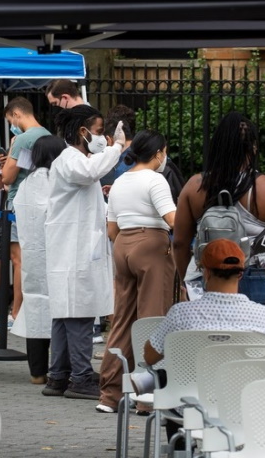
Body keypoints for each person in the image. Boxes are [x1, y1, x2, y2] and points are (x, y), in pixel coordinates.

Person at [141, 237, 265, 445]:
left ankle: (185, 449)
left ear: (205, 272)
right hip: (247, 406)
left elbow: (149, 356)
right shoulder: (263, 316)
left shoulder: (181, 314)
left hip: (191, 407)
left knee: (167, 381)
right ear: (240, 273)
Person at [173, 112, 265, 320]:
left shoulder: (195, 187)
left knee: (214, 345)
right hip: (259, 279)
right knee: (258, 346)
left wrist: (189, 280)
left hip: (210, 277)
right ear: (254, 147)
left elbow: (179, 243)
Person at [43, 105, 126, 400]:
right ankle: (79, 377)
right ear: (83, 132)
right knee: (77, 313)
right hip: (72, 250)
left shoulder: (73, 161)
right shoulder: (70, 160)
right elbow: (91, 171)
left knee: (65, 315)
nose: (102, 137)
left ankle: (58, 375)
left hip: (73, 248)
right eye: (99, 131)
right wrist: (117, 148)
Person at [96, 130, 177, 413]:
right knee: (152, 320)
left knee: (122, 320)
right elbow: (172, 219)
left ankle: (109, 394)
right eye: (164, 152)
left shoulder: (120, 181)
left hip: (122, 247)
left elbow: (111, 229)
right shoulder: (156, 180)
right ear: (157, 154)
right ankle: (146, 398)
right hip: (151, 246)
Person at [0, 97, 51, 326]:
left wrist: (3, 167)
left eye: (10, 120)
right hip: (33, 204)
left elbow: (7, 177)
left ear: (16, 114)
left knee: (18, 259)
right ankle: (3, 309)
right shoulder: (45, 135)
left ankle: (16, 314)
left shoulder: (23, 138)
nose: (11, 125)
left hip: (17, 205)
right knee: (6, 257)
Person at [11, 135, 67, 384]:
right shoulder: (56, 182)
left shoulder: (26, 184)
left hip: (31, 255)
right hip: (56, 255)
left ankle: (37, 371)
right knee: (60, 311)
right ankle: (60, 368)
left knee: (35, 308)